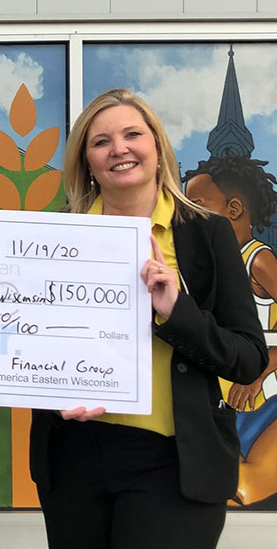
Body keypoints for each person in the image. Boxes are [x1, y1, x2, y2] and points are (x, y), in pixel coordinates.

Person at [29, 88, 268, 548]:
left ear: (157, 147)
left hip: (175, 465)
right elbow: (9, 336)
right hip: (73, 459)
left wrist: (177, 312)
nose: (118, 148)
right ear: (88, 163)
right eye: (100, 141)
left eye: (132, 134)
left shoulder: (207, 235)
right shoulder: (53, 238)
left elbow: (248, 358)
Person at [184, 155, 277, 505]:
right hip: (225, 399)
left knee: (242, 486)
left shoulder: (258, 260)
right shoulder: (207, 265)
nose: (186, 214)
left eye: (196, 205)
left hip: (262, 396)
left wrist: (261, 366)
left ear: (234, 208)